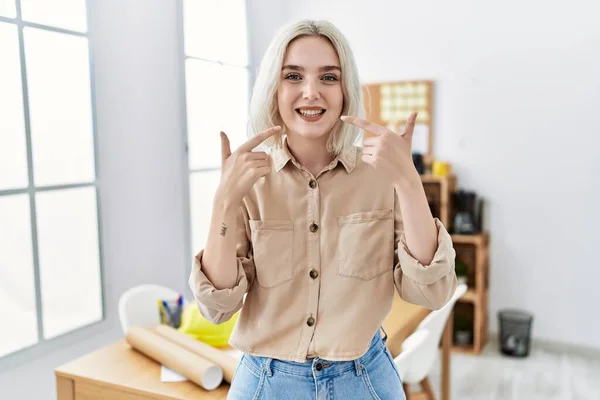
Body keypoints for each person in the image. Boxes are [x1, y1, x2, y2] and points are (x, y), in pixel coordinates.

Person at [189, 19, 457, 400]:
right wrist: (223, 203)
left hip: (365, 380)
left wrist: (410, 184)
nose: (311, 93)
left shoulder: (382, 174)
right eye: (293, 76)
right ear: (273, 89)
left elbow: (431, 293)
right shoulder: (250, 180)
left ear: (346, 90)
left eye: (328, 78)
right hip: (264, 383)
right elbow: (217, 308)